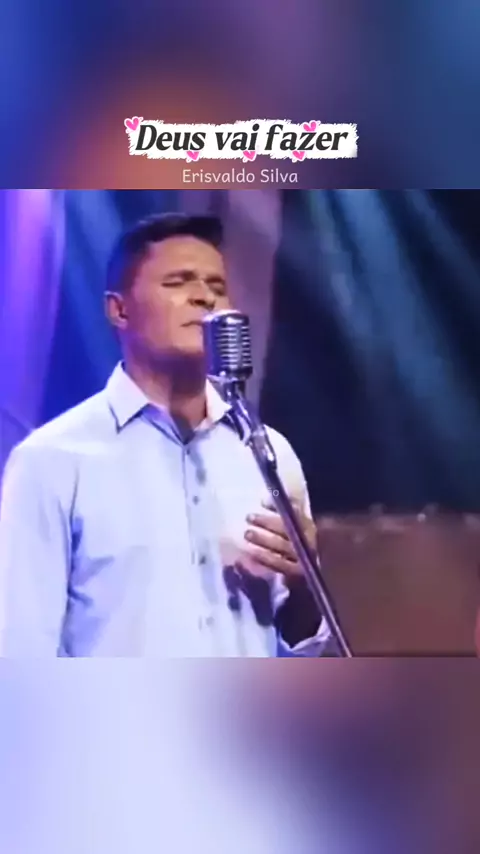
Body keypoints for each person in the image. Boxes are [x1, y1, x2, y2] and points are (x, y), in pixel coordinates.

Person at [0, 212, 332, 657]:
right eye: (179, 282)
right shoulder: (52, 459)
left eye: (217, 286)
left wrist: (303, 583)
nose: (204, 297)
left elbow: (301, 649)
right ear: (119, 310)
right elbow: (22, 649)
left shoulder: (266, 453)